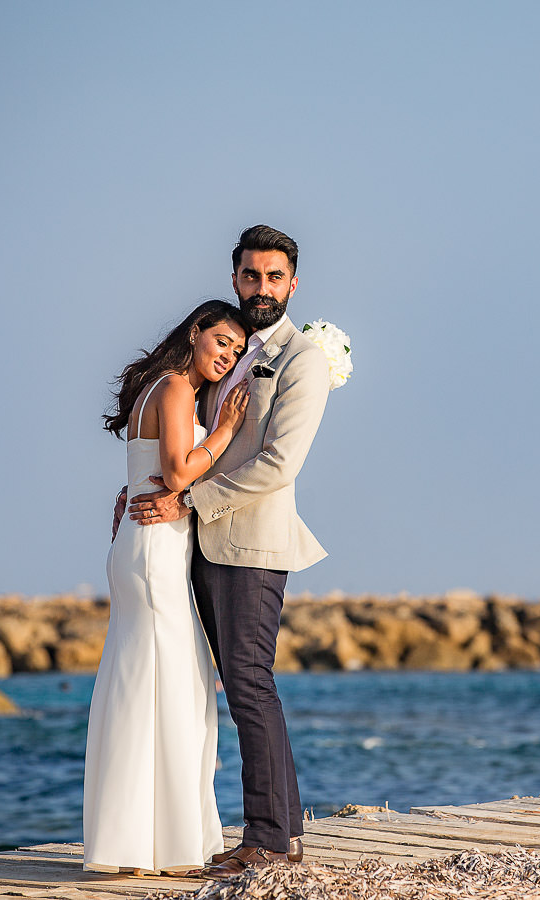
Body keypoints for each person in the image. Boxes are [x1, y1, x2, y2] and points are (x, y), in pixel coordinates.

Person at [126, 224, 331, 876]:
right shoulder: (228, 349)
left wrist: (188, 502)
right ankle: (285, 834)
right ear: (235, 277)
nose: (262, 288)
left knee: (248, 686)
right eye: (251, 276)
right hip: (200, 544)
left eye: (274, 278)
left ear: (293, 283)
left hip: (251, 543)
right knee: (245, 687)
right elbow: (188, 441)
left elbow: (279, 463)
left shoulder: (304, 360)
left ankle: (266, 841)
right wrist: (148, 488)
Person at [84, 299, 250, 875]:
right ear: (196, 331)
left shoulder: (152, 388)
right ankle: (169, 845)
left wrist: (125, 503)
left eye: (235, 350)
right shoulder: (177, 387)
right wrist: (225, 429)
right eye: (221, 341)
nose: (227, 357)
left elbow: (144, 470)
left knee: (137, 688)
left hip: (137, 548)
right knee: (176, 692)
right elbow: (178, 472)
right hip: (155, 555)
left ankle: (131, 844)